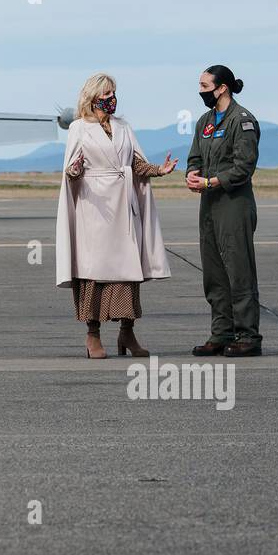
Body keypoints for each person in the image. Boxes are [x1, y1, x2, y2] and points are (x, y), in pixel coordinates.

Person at [56, 73, 178, 358]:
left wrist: (159, 170)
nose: (112, 99)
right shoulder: (78, 128)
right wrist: (74, 170)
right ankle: (93, 335)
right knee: (93, 271)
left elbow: (135, 162)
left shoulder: (123, 127)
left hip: (123, 206)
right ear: (93, 97)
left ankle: (127, 332)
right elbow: (70, 172)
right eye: (107, 94)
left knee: (126, 272)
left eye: (114, 93)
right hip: (93, 207)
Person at [184, 65, 263, 356]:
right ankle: (222, 332)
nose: (201, 91)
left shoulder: (242, 121)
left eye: (205, 86)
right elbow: (195, 155)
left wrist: (212, 181)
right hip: (209, 203)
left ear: (222, 88)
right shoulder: (205, 121)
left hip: (233, 202)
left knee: (238, 270)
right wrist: (193, 174)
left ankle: (248, 336)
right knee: (214, 272)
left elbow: (244, 167)